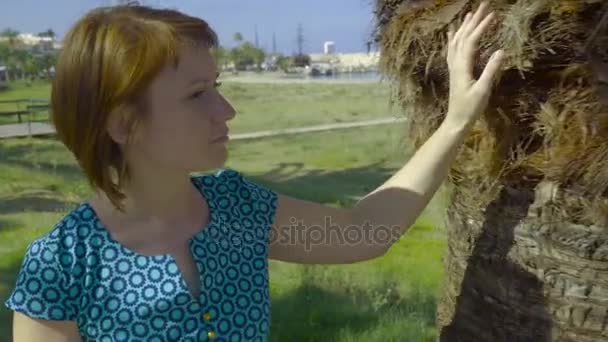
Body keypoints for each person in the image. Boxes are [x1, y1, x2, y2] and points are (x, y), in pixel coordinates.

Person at [5, 1, 503, 341]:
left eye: (216, 86)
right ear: (123, 122)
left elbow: (362, 233)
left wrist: (457, 119)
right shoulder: (62, 264)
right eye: (197, 94)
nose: (226, 110)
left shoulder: (237, 208)